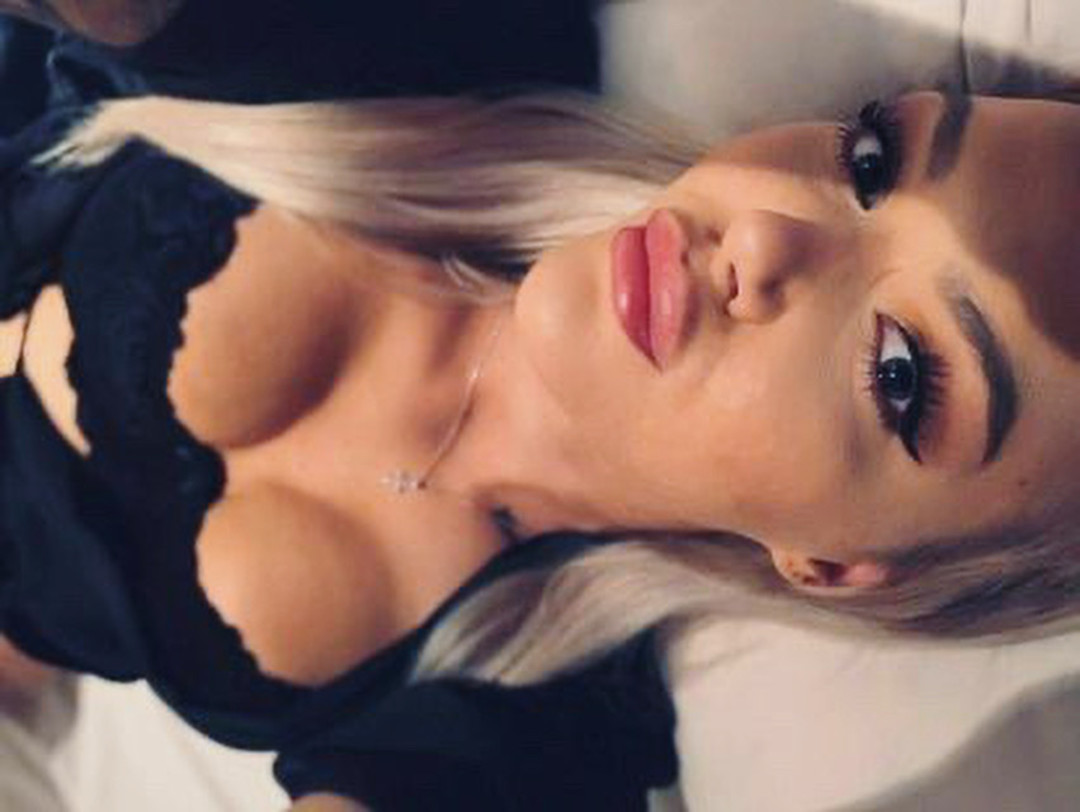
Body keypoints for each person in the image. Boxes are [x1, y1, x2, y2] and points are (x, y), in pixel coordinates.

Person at [2, 4, 1080, 811]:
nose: (764, 229)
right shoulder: (462, 43)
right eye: (871, 161)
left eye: (902, 374)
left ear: (832, 562)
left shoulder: (547, 714)